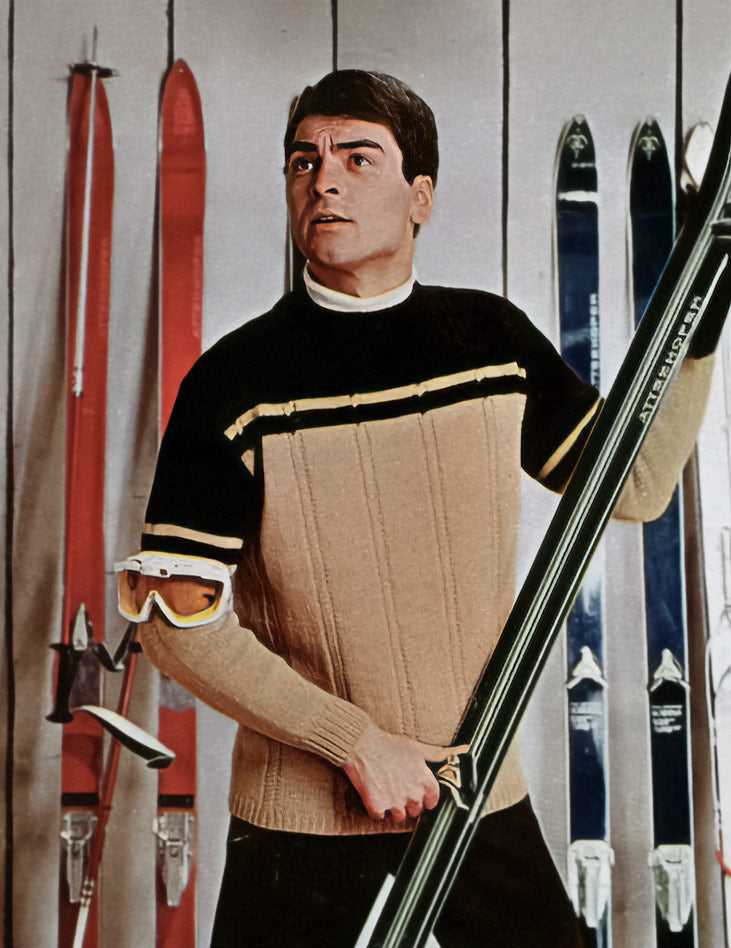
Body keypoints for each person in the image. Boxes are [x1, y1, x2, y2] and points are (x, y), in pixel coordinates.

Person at [116, 70, 723, 946]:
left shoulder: (491, 343)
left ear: (420, 197)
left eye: (357, 158)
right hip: (303, 819)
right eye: (303, 160)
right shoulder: (234, 382)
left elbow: (634, 485)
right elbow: (175, 625)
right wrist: (356, 743)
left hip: (473, 792)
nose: (323, 180)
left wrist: (699, 331)